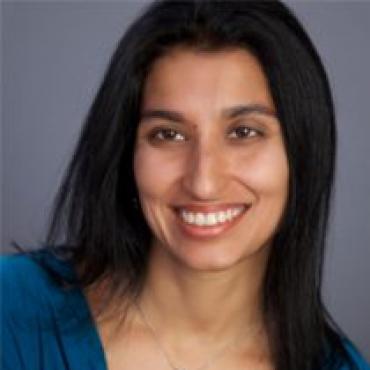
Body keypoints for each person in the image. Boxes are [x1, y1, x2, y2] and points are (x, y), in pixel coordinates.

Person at [1, 1, 369, 369]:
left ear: (301, 152)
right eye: (168, 134)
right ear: (126, 150)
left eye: (244, 132)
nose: (203, 182)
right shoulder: (11, 310)